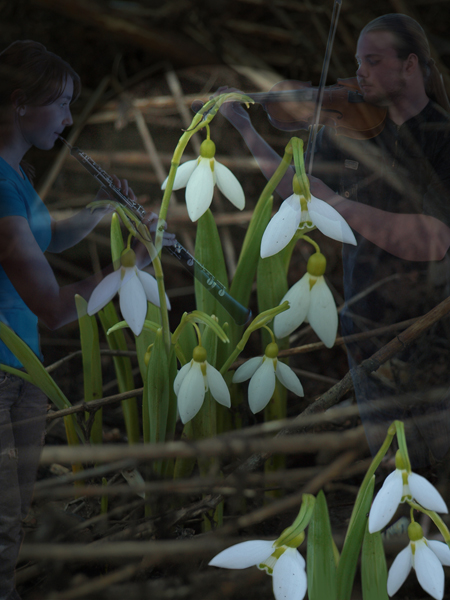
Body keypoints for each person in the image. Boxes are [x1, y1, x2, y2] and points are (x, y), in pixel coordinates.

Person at [218, 14, 450, 467]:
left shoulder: (442, 136)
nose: (358, 73)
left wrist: (333, 205)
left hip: (434, 335)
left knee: (438, 466)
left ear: (410, 66)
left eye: (373, 60)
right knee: (389, 467)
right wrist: (246, 130)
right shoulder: (349, 131)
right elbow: (295, 189)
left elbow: (431, 241)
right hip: (365, 323)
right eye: (358, 61)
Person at [0, 40, 162, 600]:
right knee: (0, 524)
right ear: (21, 103)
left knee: (12, 515)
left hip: (24, 372)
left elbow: (46, 236)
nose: (71, 119)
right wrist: (131, 264)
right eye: (63, 104)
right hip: (1, 373)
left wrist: (99, 209)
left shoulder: (16, 175)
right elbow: (51, 307)